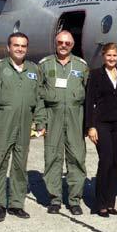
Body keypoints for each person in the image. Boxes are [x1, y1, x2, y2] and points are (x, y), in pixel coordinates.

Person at [0, 32, 46, 222]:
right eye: (16, 45)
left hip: (25, 123)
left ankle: (17, 204)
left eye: (23, 46)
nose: (19, 49)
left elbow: (39, 97)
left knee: (19, 165)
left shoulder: (34, 69)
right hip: (3, 121)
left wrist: (40, 121)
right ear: (8, 47)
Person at [38, 30, 89, 216]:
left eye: (67, 43)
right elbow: (38, 95)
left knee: (77, 158)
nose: (64, 45)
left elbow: (89, 96)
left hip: (76, 119)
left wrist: (88, 124)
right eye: (60, 42)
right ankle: (55, 199)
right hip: (53, 118)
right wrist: (40, 122)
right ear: (55, 43)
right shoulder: (44, 65)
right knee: (52, 159)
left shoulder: (82, 66)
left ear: (72, 45)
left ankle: (75, 200)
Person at [85, 42, 117, 217]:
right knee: (105, 160)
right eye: (108, 55)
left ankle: (110, 202)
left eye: (114, 55)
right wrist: (90, 126)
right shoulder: (96, 75)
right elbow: (89, 101)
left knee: (115, 162)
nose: (112, 58)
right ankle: (99, 204)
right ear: (103, 56)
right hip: (102, 124)